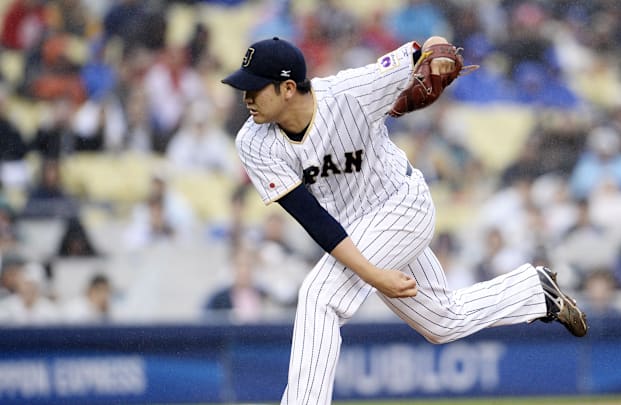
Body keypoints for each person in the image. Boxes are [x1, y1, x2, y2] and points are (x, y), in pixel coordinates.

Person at [221, 36, 587, 404]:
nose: (246, 97)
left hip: (402, 207)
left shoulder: (351, 92)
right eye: (243, 88)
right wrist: (372, 273)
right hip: (354, 230)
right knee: (443, 322)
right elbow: (312, 218)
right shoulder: (253, 141)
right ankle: (533, 291)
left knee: (320, 296)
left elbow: (427, 48)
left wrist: (439, 54)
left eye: (255, 88)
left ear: (287, 88)